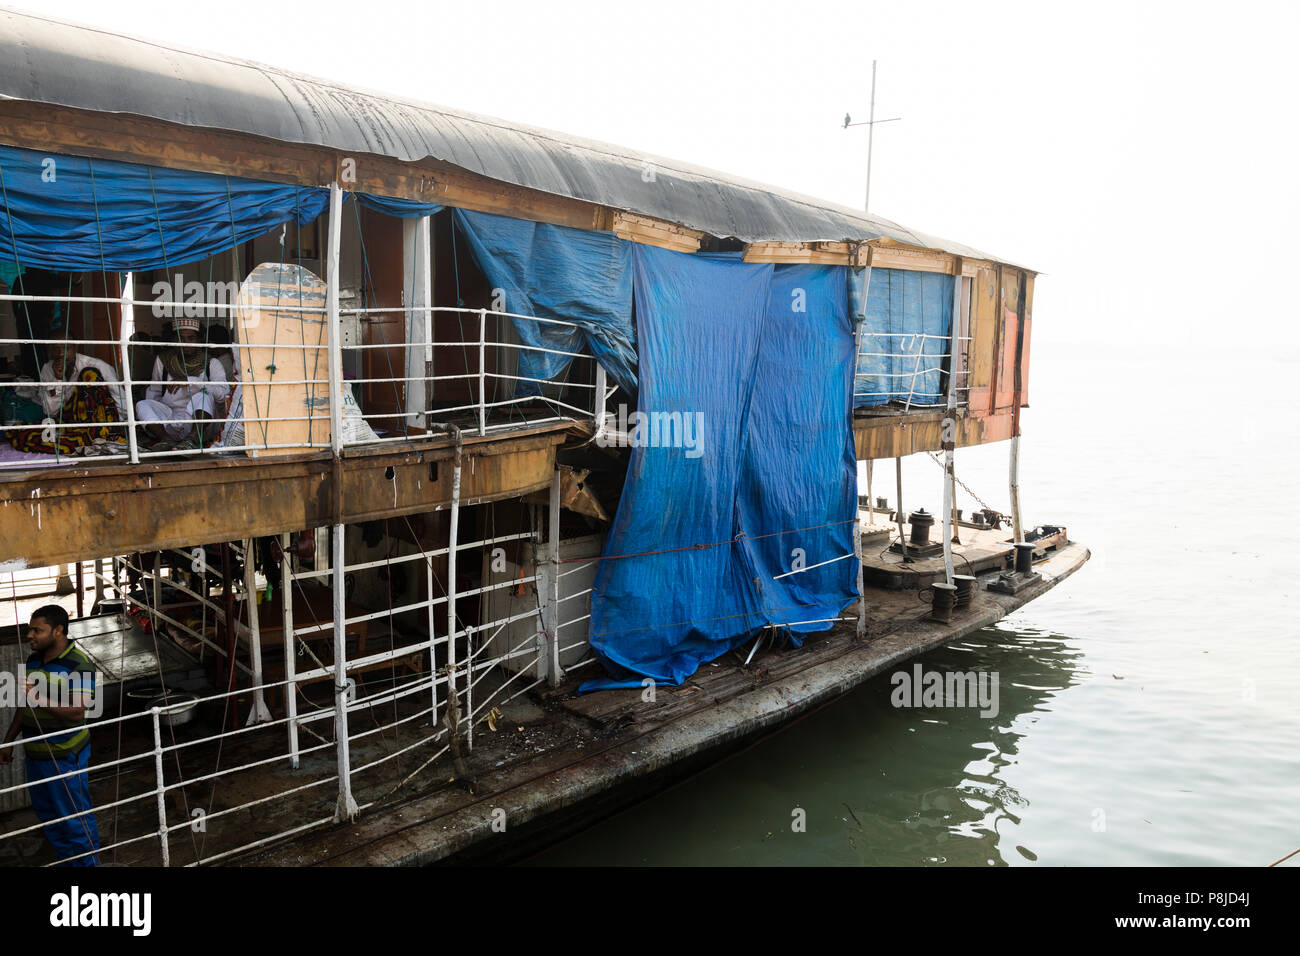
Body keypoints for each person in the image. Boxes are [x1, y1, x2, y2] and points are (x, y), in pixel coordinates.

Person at [0, 604, 101, 866]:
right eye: (29, 629)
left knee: (74, 816)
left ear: (58, 631)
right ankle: (68, 861)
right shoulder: (34, 660)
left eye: (37, 630)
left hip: (65, 755)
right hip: (36, 754)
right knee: (49, 815)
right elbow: (24, 705)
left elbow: (77, 712)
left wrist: (36, 694)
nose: (30, 635)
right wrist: (9, 740)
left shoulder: (79, 664)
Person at [8, 314, 128, 455]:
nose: (61, 354)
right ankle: (82, 438)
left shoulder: (97, 365)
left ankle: (97, 435)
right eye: (55, 348)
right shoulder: (48, 369)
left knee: (89, 374)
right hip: (69, 423)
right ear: (49, 350)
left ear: (75, 348)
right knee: (18, 431)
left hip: (99, 423)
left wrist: (115, 428)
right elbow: (50, 412)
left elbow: (122, 402)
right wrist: (58, 380)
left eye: (66, 348)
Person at [135, 315, 229, 448]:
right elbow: (154, 392)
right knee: (142, 404)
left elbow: (223, 394)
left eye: (191, 338)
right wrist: (155, 417)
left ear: (199, 339)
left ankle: (192, 440)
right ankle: (166, 440)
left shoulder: (211, 363)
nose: (185, 343)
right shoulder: (163, 361)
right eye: (180, 338)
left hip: (201, 425)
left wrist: (191, 381)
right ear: (174, 340)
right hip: (170, 419)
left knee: (203, 396)